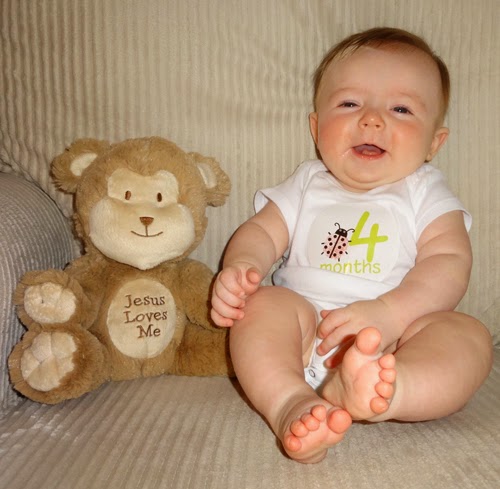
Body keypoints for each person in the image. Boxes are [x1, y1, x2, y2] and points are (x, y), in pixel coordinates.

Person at [210, 27, 493, 464]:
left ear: (434, 143)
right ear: (316, 126)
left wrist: (390, 314)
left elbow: (450, 260)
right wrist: (241, 268)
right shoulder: (307, 183)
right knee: (262, 306)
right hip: (305, 334)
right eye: (349, 104)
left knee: (469, 337)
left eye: (401, 109)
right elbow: (262, 232)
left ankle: (390, 392)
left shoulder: (424, 191)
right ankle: (290, 402)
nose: (372, 120)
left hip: (395, 345)